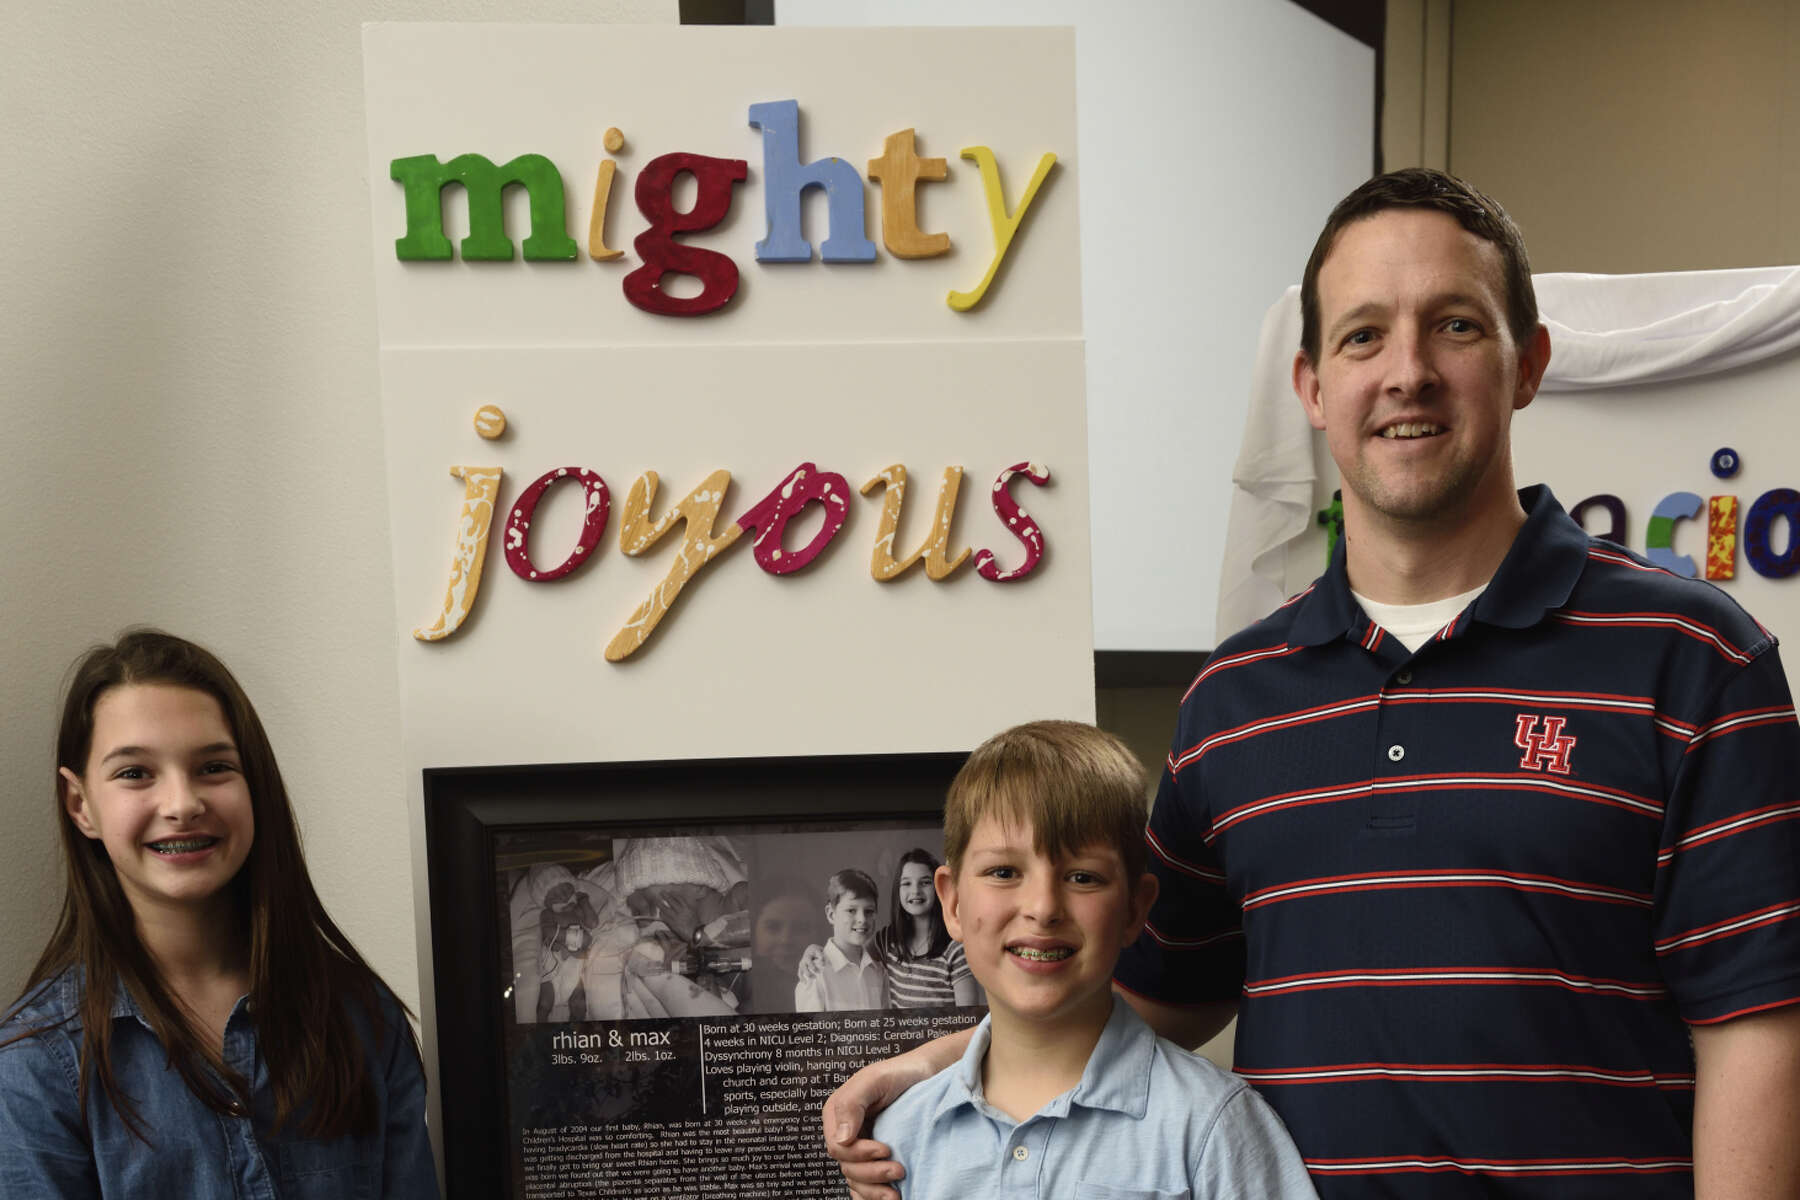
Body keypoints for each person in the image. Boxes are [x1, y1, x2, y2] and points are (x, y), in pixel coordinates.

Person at [825, 169, 1800, 1198]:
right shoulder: (1235, 702)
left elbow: (1759, 1030)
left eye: (1457, 327)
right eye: (1364, 335)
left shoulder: (1696, 660)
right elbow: (1152, 994)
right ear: (1312, 386)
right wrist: (940, 1071)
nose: (1408, 372)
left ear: (1529, 365)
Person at [0, 629, 438, 1197]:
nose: (182, 804)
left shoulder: (363, 1019)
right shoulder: (36, 1064)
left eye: (213, 767)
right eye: (135, 773)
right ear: (81, 804)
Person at [871, 721, 1316, 1198]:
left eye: (1083, 878)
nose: (1042, 908)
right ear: (953, 904)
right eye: (1004, 872)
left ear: (1134, 909)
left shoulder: (1214, 1126)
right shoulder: (898, 1139)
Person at [870, 848, 981, 1009]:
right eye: (907, 883)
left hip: (946, 1035)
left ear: (939, 887)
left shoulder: (955, 948)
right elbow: (852, 955)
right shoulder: (887, 939)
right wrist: (819, 954)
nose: (915, 891)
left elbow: (969, 1020)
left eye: (925, 882)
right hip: (898, 1035)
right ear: (898, 890)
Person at [796, 868, 886, 1012]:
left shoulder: (878, 972)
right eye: (851, 910)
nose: (862, 919)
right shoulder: (815, 973)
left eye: (869, 911)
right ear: (831, 914)